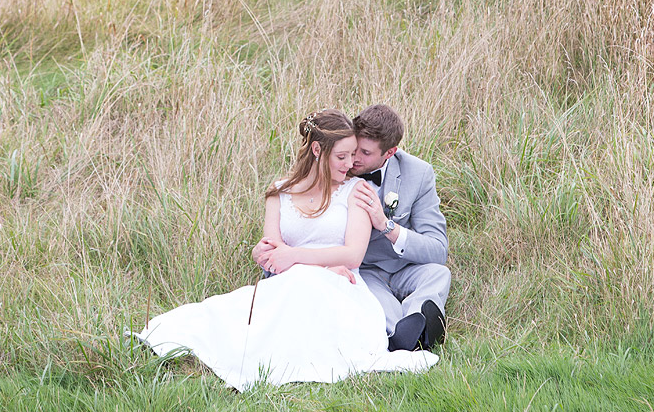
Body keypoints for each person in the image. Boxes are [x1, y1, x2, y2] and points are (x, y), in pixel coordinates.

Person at [133, 109, 438, 391]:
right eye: (343, 156)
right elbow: (271, 254)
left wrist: (296, 259)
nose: (351, 164)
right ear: (318, 150)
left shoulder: (357, 190)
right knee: (223, 312)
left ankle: (411, 329)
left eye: (355, 155)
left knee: (309, 284)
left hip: (342, 284)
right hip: (289, 283)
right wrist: (285, 259)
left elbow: (352, 255)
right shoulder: (279, 192)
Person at [350, 104, 450, 352]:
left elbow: (438, 250)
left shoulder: (418, 173)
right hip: (366, 270)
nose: (354, 158)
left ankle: (416, 320)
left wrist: (386, 225)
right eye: (354, 148)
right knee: (384, 308)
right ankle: (409, 335)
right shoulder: (339, 167)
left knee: (439, 274)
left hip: (404, 268)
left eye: (364, 152)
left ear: (390, 152)